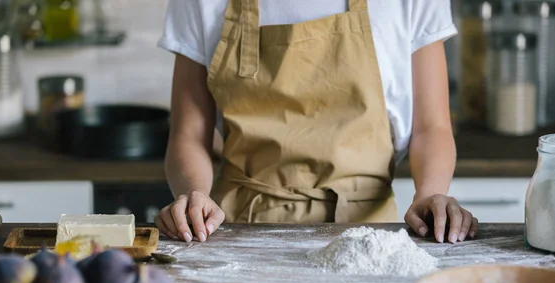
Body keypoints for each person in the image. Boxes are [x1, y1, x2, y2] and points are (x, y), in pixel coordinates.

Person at [155, 0, 479, 244]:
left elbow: (432, 127)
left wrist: (430, 193)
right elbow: (188, 135)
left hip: (370, 236)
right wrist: (194, 194)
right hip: (239, 231)